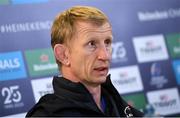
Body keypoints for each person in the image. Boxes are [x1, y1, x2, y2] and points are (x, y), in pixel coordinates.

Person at [26, 5, 144, 117]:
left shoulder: (114, 101)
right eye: (91, 44)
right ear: (63, 55)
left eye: (107, 42)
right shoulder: (47, 114)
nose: (105, 55)